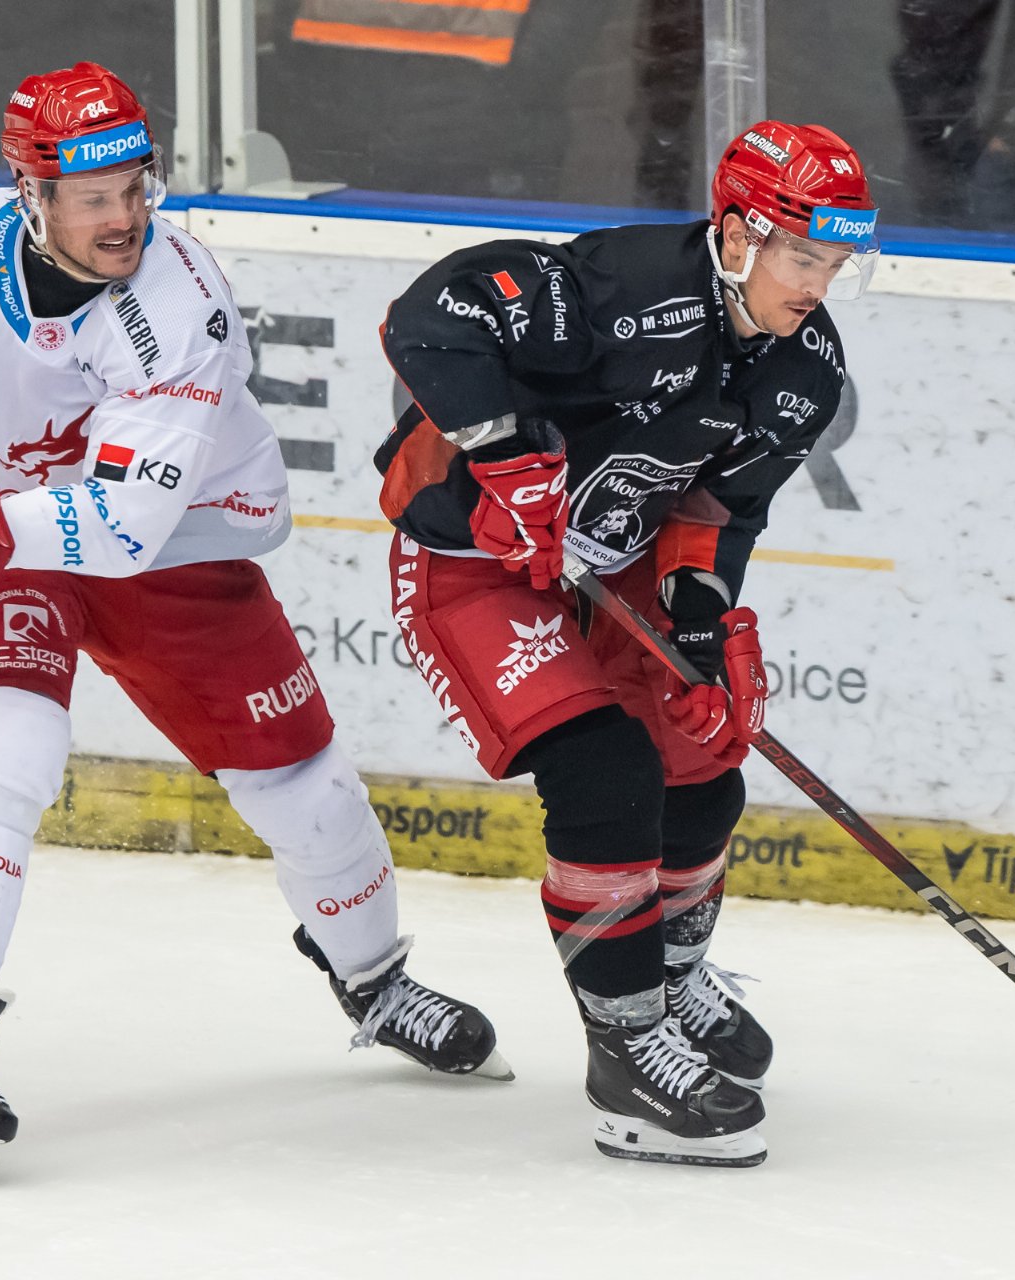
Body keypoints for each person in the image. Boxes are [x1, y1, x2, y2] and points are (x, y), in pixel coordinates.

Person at [0, 61, 509, 1186]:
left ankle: (376, 981)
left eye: (137, 188)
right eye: (94, 197)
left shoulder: (180, 303)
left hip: (170, 543)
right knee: (7, 751)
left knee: (304, 783)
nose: (124, 217)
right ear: (31, 194)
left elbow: (125, 523)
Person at [374, 121, 874, 1167]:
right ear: (735, 234)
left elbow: (720, 509)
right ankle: (627, 1050)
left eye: (836, 263)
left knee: (707, 762)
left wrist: (700, 622)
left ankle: (673, 978)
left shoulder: (807, 371)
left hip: (617, 563)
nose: (818, 285)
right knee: (606, 772)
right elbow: (432, 316)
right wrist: (504, 457)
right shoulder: (622, 286)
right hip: (476, 559)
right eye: (802, 255)